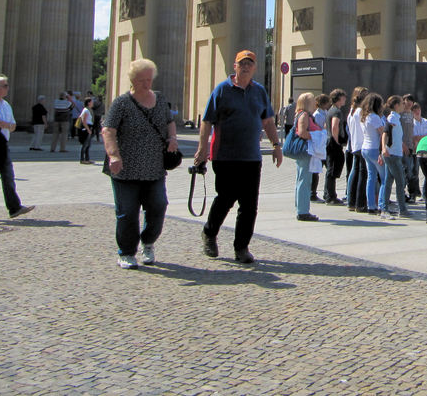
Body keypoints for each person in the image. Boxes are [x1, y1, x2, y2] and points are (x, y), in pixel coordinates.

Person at [193, 50, 282, 264]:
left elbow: (268, 121)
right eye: (242, 63)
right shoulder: (222, 90)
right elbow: (207, 120)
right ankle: (209, 233)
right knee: (225, 199)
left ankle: (241, 247)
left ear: (255, 68)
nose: (246, 67)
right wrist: (202, 148)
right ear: (234, 66)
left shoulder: (259, 91)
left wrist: (276, 145)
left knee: (249, 205)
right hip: (226, 156)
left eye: (250, 63)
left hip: (251, 157)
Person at [101, 59, 176, 268]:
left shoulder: (159, 99)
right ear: (133, 80)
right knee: (127, 212)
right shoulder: (122, 103)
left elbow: (169, 122)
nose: (147, 84)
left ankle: (148, 241)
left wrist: (173, 138)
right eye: (142, 80)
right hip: (125, 169)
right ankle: (126, 252)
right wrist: (114, 155)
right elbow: (108, 130)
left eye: (149, 79)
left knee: (158, 206)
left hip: (154, 168)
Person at [0, 76, 34, 221]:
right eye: (5, 85)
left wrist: (6, 125)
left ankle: (14, 207)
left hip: (2, 145)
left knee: (8, 176)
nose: (7, 88)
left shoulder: (6, 105)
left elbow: (13, 126)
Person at [291, 92, 321, 222]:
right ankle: (303, 211)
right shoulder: (304, 115)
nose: (315, 103)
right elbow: (302, 133)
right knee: (304, 180)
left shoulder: (301, 114)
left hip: (304, 151)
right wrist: (317, 135)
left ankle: (301, 208)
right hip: (306, 150)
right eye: (313, 100)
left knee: (301, 179)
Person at [379, 95, 409, 219]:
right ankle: (401, 209)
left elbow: (395, 136)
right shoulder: (392, 118)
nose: (404, 105)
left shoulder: (396, 118)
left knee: (388, 181)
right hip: (392, 155)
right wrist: (384, 148)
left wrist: (402, 145)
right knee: (400, 181)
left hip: (395, 153)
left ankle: (385, 208)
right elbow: (385, 134)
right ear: (396, 105)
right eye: (402, 103)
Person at [360, 93, 386, 215]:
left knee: (371, 177)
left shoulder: (364, 116)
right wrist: (383, 151)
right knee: (384, 177)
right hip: (375, 148)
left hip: (365, 147)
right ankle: (381, 204)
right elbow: (382, 133)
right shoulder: (375, 117)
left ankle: (371, 205)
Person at [346, 86, 369, 213]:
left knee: (354, 173)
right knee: (362, 174)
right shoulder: (361, 111)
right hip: (362, 144)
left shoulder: (352, 111)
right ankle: (360, 203)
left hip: (354, 144)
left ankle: (351, 201)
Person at [323, 88, 348, 205]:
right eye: (343, 97)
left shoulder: (330, 110)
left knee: (330, 169)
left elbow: (325, 125)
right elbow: (334, 126)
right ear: (338, 98)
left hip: (328, 141)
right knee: (332, 170)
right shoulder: (337, 112)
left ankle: (327, 194)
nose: (345, 99)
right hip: (333, 142)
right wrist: (337, 141)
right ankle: (331, 196)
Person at [77, 96, 95, 164]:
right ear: (88, 103)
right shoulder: (86, 110)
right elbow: (84, 121)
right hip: (86, 128)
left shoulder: (89, 110)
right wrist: (88, 129)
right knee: (85, 145)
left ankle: (87, 159)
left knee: (88, 145)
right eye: (91, 102)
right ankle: (82, 159)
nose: (93, 103)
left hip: (89, 127)